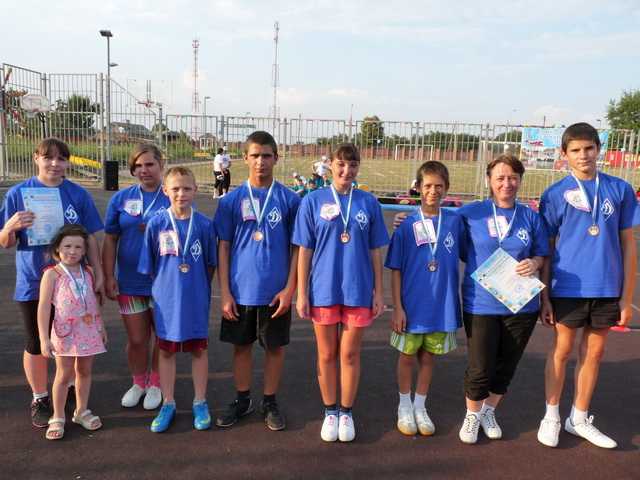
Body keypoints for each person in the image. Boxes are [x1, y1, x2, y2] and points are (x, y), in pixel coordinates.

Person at [536, 123, 639, 449]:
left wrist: (626, 298)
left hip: (607, 287)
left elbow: (628, 245)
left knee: (593, 352)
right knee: (562, 351)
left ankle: (578, 417)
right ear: (564, 155)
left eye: (589, 148)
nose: (584, 155)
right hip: (567, 287)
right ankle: (551, 414)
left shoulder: (620, 189)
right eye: (576, 150)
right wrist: (545, 295)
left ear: (599, 150)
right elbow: (547, 249)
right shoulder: (553, 195)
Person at [0, 138, 104, 428]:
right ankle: (40, 396)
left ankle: (67, 386)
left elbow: (92, 236)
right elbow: (5, 242)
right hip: (34, 281)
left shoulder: (77, 194)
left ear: (68, 162)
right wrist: (10, 227)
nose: (55, 164)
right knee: (36, 342)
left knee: (70, 337)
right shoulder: (18, 194)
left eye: (61, 158)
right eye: (48, 158)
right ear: (36, 159)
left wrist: (99, 272)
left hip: (73, 285)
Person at [294, 143, 389, 442]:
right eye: (341, 164)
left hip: (358, 289)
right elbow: (304, 251)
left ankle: (346, 411)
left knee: (349, 353)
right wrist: (301, 292)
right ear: (330, 165)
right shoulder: (312, 201)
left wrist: (378, 291)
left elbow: (375, 251)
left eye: (353, 165)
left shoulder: (368, 203)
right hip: (322, 288)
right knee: (326, 353)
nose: (347, 171)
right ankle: (329, 411)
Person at [455, 155, 549, 444]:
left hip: (521, 304)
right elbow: (451, 240)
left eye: (512, 178)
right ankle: (471, 416)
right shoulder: (470, 213)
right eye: (500, 178)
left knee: (507, 365)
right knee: (480, 365)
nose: (506, 183)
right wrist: (404, 220)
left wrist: (534, 263)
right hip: (481, 302)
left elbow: (542, 254)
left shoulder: (531, 217)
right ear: (489, 181)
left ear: (520, 180)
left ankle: (488, 412)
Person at [214, 131, 300, 431]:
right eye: (255, 155)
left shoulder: (289, 200)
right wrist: (225, 291)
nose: (261, 161)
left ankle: (269, 400)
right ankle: (242, 399)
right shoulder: (231, 201)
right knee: (241, 347)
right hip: (240, 289)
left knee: (274, 348)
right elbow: (223, 246)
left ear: (276, 158)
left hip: (275, 292)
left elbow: (297, 248)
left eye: (266, 155)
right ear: (244, 159)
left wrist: (291, 288)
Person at [385, 161, 464, 437]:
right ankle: (404, 405)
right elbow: (395, 269)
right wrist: (397, 308)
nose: (433, 191)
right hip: (412, 306)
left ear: (447, 189)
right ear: (417, 188)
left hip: (439, 307)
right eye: (427, 185)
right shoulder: (406, 225)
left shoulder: (455, 221)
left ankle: (421, 405)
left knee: (428, 358)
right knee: (407, 356)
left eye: (439, 186)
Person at [138, 166, 218, 433]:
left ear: (195, 190)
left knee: (199, 350)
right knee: (166, 350)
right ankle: (168, 402)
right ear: (165, 191)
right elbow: (150, 266)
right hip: (166, 301)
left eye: (186, 188)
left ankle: (200, 401)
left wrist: (196, 286)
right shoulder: (156, 224)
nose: (181, 193)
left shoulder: (205, 225)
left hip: (196, 298)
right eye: (175, 189)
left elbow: (210, 264)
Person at [103, 144, 170, 410]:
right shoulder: (120, 199)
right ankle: (138, 382)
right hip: (130, 281)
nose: (144, 170)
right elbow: (110, 239)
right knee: (137, 339)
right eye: (138, 166)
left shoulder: (171, 196)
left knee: (162, 337)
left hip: (163, 282)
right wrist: (108, 275)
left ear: (160, 165)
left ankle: (156, 383)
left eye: (150, 164)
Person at [37, 225, 107, 440]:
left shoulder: (88, 272)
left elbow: (94, 302)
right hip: (65, 333)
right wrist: (44, 338)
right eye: (67, 246)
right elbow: (44, 307)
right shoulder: (52, 274)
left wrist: (101, 326)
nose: (73, 251)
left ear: (85, 251)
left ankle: (81, 411)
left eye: (78, 247)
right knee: (63, 374)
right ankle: (57, 416)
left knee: (84, 371)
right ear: (57, 248)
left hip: (89, 330)